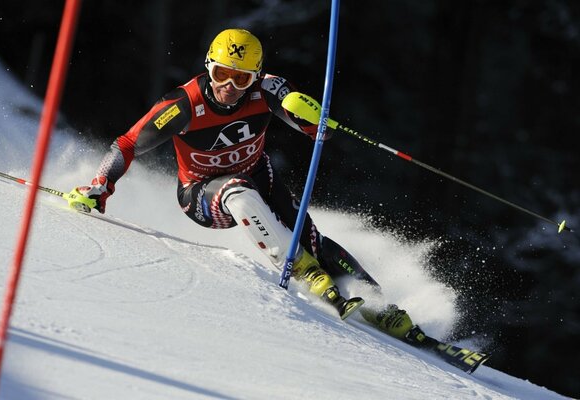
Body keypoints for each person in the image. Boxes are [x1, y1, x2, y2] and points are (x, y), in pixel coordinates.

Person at [69, 28, 423, 344]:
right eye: (221, 74)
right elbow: (128, 144)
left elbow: (319, 133)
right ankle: (302, 268)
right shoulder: (182, 105)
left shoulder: (269, 90)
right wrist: (101, 186)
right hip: (201, 196)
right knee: (237, 189)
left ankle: (383, 305)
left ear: (254, 77)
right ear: (208, 67)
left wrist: (314, 119)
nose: (229, 86)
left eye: (241, 79)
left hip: (260, 176)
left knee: (311, 238)